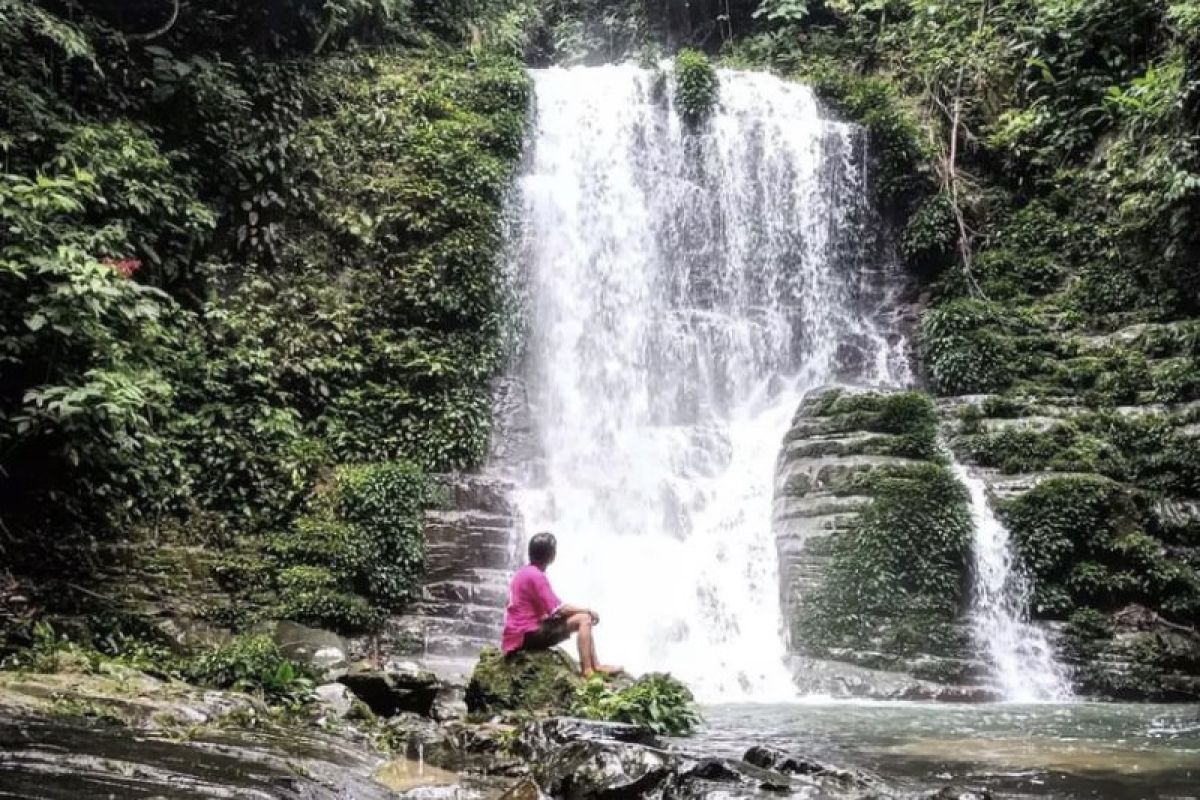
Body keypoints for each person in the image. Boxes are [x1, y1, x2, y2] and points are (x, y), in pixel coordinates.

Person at [500, 531, 619, 677]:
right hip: (527, 635)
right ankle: (588, 670)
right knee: (584, 619)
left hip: (518, 634)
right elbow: (559, 610)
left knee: (583, 617)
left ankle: (596, 665)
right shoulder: (537, 576)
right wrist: (587, 610)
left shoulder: (523, 573)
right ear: (551, 555)